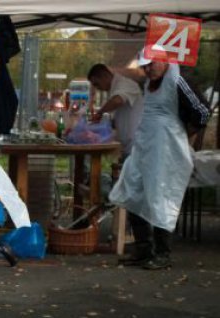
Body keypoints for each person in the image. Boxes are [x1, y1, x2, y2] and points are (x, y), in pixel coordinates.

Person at [109, 54, 209, 270]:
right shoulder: (148, 84)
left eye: (151, 65)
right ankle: (143, 249)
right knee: (132, 189)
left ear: (164, 61)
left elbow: (202, 112)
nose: (148, 70)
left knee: (160, 196)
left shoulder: (177, 80)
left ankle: (163, 253)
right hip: (145, 147)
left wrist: (185, 133)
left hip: (166, 150)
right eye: (144, 67)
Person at [86, 63, 144, 157]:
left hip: (136, 145)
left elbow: (117, 101)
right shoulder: (114, 89)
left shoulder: (126, 84)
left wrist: (100, 112)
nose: (98, 88)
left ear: (105, 76)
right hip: (127, 145)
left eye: (97, 84)